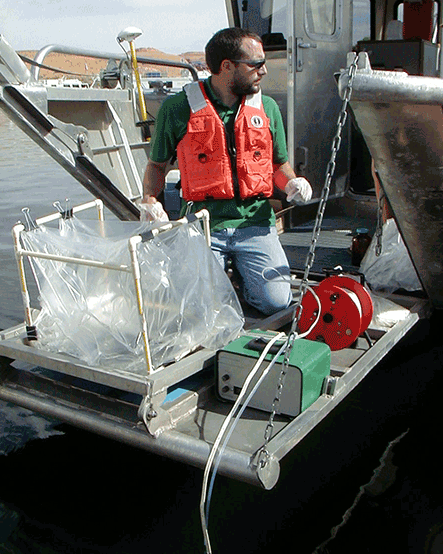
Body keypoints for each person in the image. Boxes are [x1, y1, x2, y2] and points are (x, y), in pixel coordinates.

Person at [141, 27, 312, 315]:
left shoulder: (267, 107)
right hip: (203, 223)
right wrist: (149, 199)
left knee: (276, 302)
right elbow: (157, 166)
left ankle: (242, 282)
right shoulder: (177, 108)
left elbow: (278, 166)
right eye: (256, 64)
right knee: (200, 307)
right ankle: (220, 285)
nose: (264, 71)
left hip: (255, 223)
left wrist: (293, 183)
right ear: (227, 67)